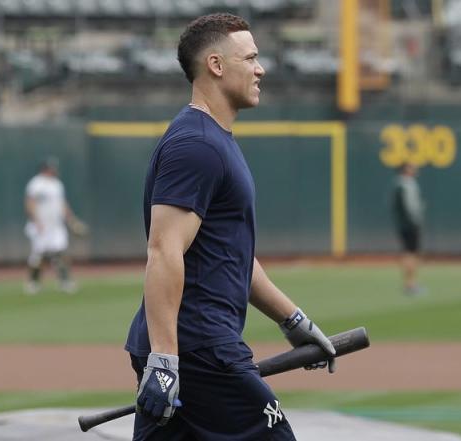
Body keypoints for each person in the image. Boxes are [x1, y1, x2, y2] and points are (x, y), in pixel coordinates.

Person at [125, 13, 337, 441]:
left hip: (191, 347)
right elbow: (164, 250)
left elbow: (231, 255)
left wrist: (293, 320)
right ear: (217, 66)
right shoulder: (197, 145)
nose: (260, 69)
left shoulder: (214, 140)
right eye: (251, 58)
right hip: (200, 348)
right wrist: (166, 361)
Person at [24, 157, 87, 295]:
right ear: (45, 169)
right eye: (52, 168)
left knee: (61, 253)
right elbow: (30, 203)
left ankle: (64, 281)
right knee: (39, 256)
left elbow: (62, 204)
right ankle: (33, 282)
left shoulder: (57, 184)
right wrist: (36, 221)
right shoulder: (36, 184)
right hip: (41, 225)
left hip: (56, 225)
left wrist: (72, 220)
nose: (54, 170)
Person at [392, 162, 426, 295]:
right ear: (406, 170)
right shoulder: (405, 185)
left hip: (405, 224)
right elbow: (410, 208)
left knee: (409, 253)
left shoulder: (401, 184)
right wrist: (415, 221)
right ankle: (410, 284)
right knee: (411, 254)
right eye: (412, 167)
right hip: (410, 225)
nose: (415, 169)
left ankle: (410, 283)